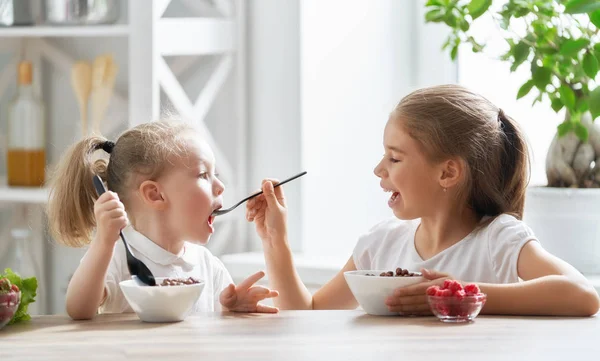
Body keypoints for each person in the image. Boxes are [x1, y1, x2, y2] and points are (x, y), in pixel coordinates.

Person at [246, 85, 600, 316]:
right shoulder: (379, 246)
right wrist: (275, 239)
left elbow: (583, 295)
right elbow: (306, 313)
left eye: (395, 158)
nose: (378, 170)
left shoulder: (498, 239)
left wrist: (462, 295)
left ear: (447, 173)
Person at [48, 121, 278, 320]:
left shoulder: (209, 266)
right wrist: (103, 242)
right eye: (203, 175)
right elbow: (78, 309)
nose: (220, 186)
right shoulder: (116, 257)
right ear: (155, 195)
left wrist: (231, 310)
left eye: (214, 174)